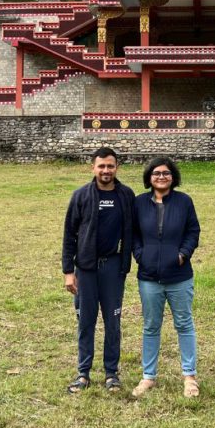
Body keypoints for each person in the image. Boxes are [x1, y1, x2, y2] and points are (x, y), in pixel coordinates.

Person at [61, 147, 135, 393]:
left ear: (117, 168)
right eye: (101, 166)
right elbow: (69, 235)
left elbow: (134, 231)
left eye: (110, 166)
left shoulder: (125, 195)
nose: (106, 170)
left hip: (113, 267)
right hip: (86, 269)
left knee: (112, 322)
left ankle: (111, 373)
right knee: (86, 321)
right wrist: (68, 271)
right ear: (93, 167)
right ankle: (83, 373)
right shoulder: (81, 196)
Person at [131, 156, 201, 399]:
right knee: (151, 326)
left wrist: (183, 254)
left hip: (179, 275)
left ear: (173, 176)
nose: (161, 177)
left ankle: (189, 376)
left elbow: (193, 231)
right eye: (156, 173)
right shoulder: (139, 203)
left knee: (184, 323)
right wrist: (141, 255)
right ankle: (148, 376)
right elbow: (134, 234)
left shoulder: (184, 201)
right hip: (149, 276)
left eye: (166, 173)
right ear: (149, 178)